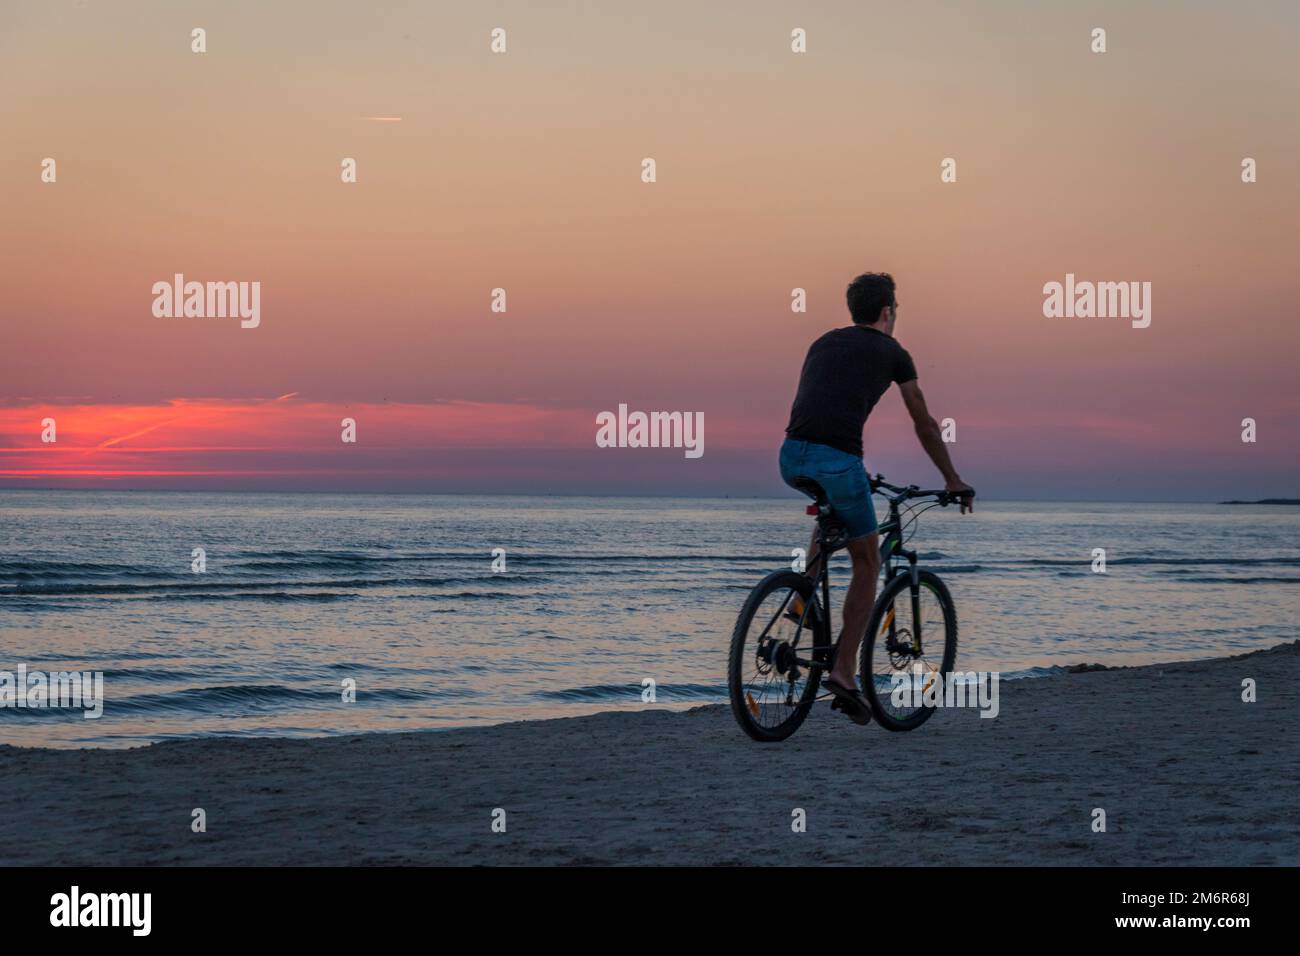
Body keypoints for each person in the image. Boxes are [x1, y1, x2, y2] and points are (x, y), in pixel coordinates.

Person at [780, 272, 973, 722]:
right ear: (888, 311)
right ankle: (844, 674)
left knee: (831, 514)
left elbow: (822, 407)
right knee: (868, 563)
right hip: (837, 459)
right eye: (897, 308)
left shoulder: (823, 342)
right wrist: (952, 478)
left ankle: (801, 599)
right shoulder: (895, 354)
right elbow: (923, 422)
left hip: (790, 456)